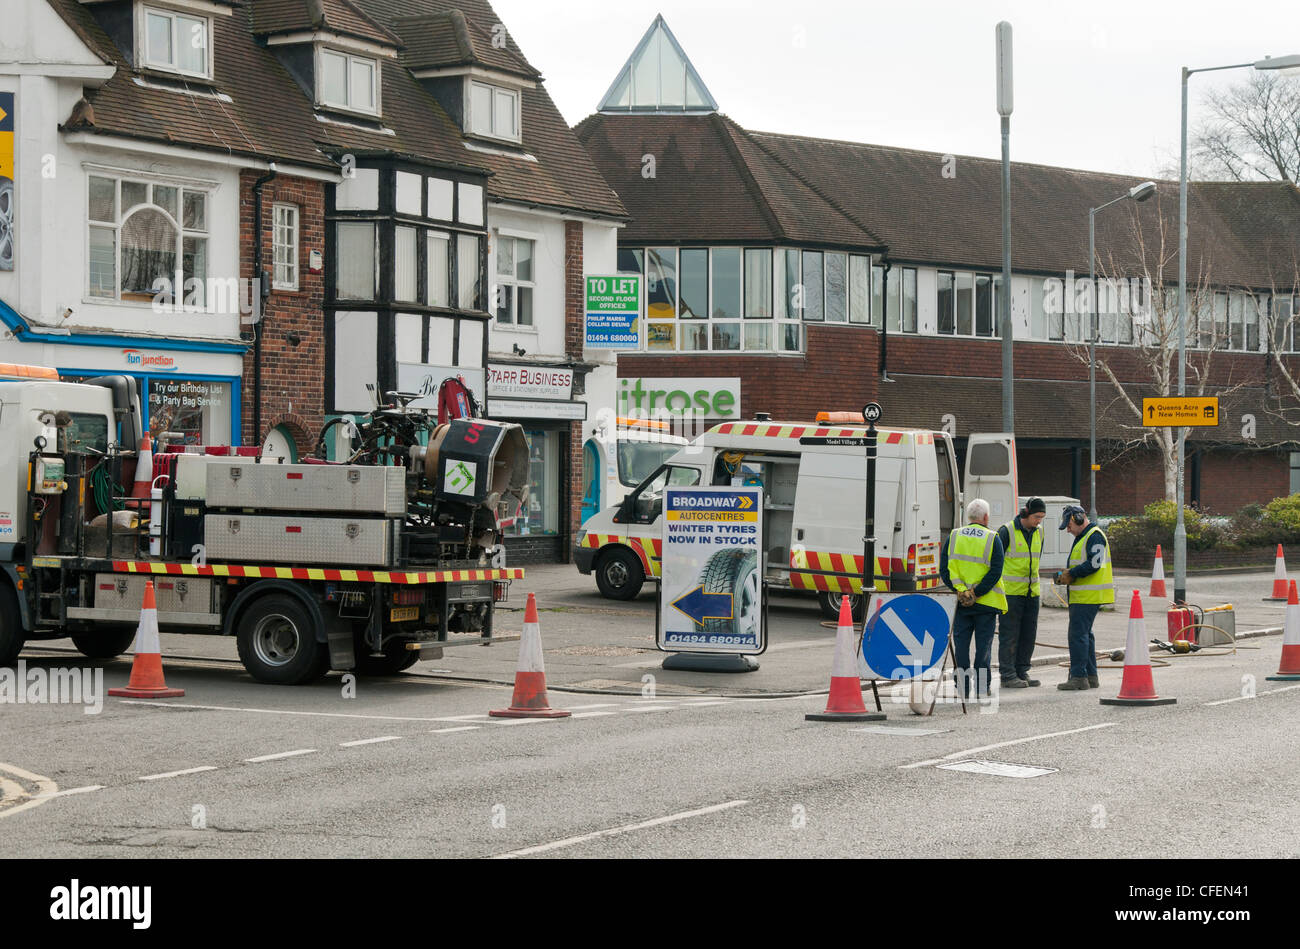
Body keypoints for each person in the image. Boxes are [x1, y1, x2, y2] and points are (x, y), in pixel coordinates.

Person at [940, 498, 1007, 699]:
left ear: (968, 517)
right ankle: (981, 687)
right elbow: (995, 572)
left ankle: (961, 687)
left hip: (961, 604)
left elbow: (944, 569)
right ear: (986, 517)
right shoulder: (993, 538)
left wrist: (960, 591)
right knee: (983, 647)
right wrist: (976, 593)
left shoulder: (954, 536)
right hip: (986, 603)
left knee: (960, 646)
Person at [1054, 504, 1115, 690]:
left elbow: (1094, 564)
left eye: (1069, 525)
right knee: (1085, 635)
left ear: (1077, 519)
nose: (1068, 530)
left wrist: (1072, 573)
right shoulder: (1086, 536)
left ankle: (1079, 677)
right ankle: (1090, 675)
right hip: (1085, 595)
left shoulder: (1094, 535)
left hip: (1087, 596)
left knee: (1077, 636)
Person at [996, 497, 1047, 688]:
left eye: (1041, 517)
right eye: (1036, 516)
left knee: (1028, 633)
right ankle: (1008, 674)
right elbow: (996, 561)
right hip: (1010, 593)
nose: (1039, 521)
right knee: (1009, 634)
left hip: (1031, 592)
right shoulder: (1006, 531)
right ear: (1026, 513)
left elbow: (1036, 559)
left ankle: (1021, 670)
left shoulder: (1039, 532)